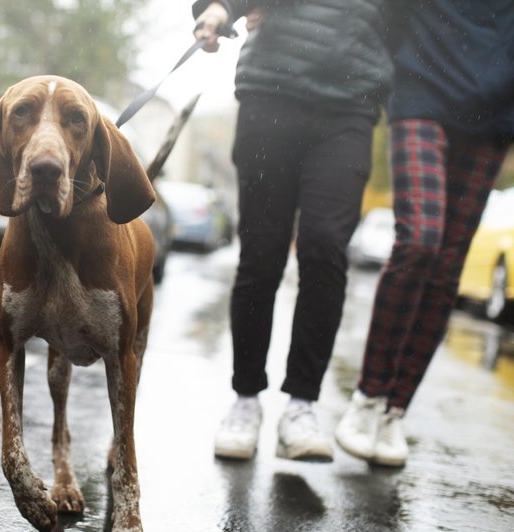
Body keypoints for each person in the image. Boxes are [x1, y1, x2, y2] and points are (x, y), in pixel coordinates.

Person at [192, 0, 393, 462]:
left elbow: (411, 23)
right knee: (262, 253)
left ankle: (301, 406)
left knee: (325, 248)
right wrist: (219, 9)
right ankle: (245, 399)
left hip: (350, 106)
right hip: (271, 92)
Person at [336, 0, 514, 467]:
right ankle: (369, 396)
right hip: (422, 95)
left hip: (495, 117)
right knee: (419, 241)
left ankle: (395, 409)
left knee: (447, 266)